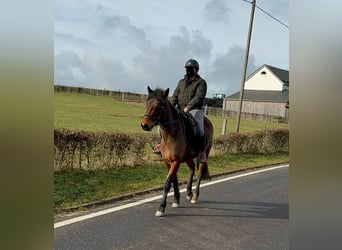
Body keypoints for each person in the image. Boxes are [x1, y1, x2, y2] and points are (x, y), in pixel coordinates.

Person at [153, 59, 208, 163]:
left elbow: (199, 97)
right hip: (179, 109)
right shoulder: (181, 82)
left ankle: (201, 153)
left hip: (195, 110)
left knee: (200, 131)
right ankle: (161, 146)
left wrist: (189, 107)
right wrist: (170, 107)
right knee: (165, 123)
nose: (188, 71)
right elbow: (175, 95)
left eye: (190, 69)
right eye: (187, 69)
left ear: (196, 70)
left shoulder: (201, 83)